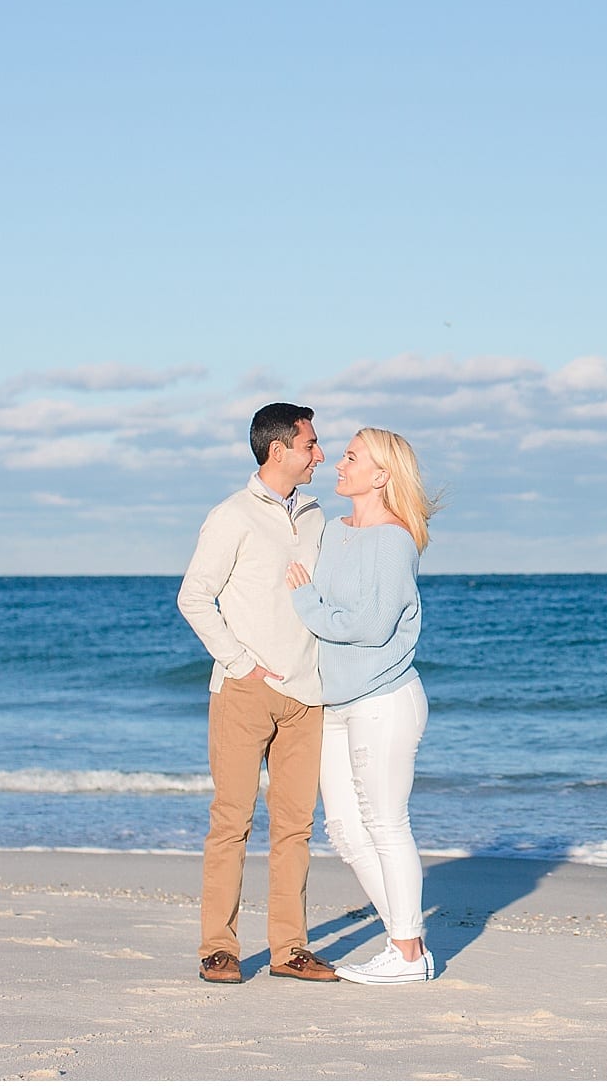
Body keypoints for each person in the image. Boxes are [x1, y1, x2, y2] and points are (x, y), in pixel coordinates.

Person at [175, 402, 337, 984]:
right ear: (279, 450)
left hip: (307, 695)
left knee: (296, 828)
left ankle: (289, 950)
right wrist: (242, 664)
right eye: (311, 444)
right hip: (244, 692)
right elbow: (194, 597)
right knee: (231, 822)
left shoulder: (318, 516)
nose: (320, 454)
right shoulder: (232, 515)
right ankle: (217, 948)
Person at [285, 426, 439, 985]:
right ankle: (408, 942)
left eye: (351, 457)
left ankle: (404, 953)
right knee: (346, 830)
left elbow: (373, 628)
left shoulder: (394, 541)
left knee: (384, 823)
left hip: (385, 699)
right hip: (336, 701)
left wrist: (306, 604)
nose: (338, 464)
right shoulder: (333, 529)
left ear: (381, 476)